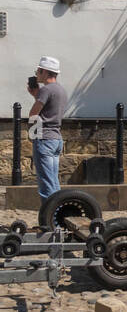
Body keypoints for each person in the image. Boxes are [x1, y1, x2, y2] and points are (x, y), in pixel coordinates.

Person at [27, 55, 67, 203]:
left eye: (38, 71)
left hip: (44, 139)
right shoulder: (60, 90)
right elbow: (49, 110)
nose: (36, 74)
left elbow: (33, 114)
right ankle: (58, 216)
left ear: (44, 71)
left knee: (46, 185)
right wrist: (37, 96)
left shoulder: (46, 90)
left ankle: (50, 221)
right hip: (56, 138)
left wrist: (37, 96)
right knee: (53, 182)